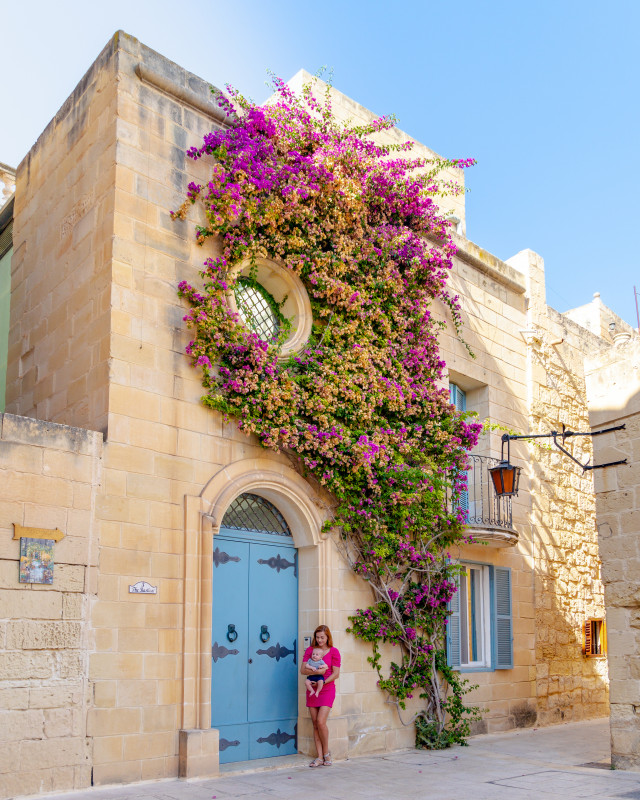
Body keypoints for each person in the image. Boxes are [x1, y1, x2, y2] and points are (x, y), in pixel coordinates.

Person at [301, 624, 340, 767]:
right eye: (317, 637)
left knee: (321, 721)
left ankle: (326, 753)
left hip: (327, 689)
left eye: (322, 637)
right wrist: (316, 674)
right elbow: (303, 670)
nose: (319, 640)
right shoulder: (311, 650)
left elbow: (336, 673)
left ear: (328, 637)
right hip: (312, 688)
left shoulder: (334, 651)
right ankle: (319, 757)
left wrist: (322, 680)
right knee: (315, 724)